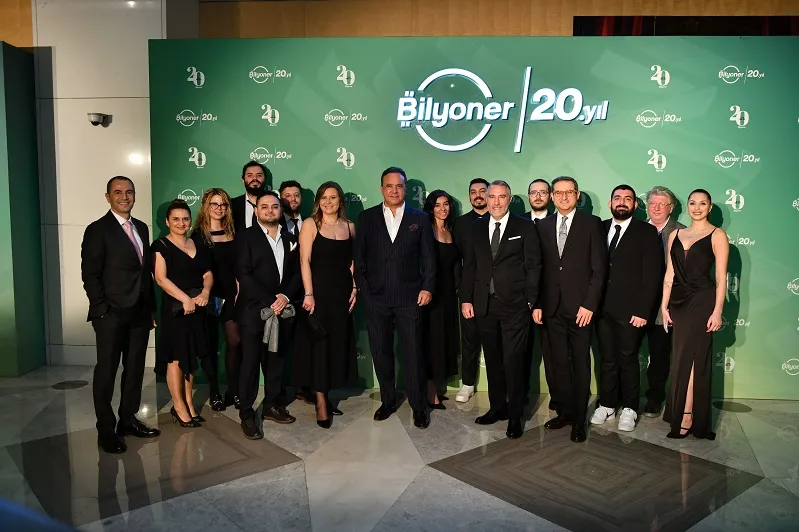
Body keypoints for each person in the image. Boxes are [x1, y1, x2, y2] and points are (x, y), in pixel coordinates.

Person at [81, 176, 160, 454]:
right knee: (107, 370)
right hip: (110, 314)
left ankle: (128, 420)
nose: (124, 197)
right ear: (108, 197)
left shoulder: (141, 228)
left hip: (139, 313)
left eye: (129, 192)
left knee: (135, 369)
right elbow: (90, 275)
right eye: (118, 192)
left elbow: (145, 274)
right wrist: (102, 310)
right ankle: (106, 429)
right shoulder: (97, 230)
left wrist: (151, 309)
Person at [354, 166, 436, 429]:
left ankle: (418, 406)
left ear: (405, 189)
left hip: (410, 297)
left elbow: (429, 259)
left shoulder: (419, 218)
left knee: (414, 353)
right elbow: (359, 259)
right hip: (376, 298)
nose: (394, 190)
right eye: (389, 186)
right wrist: (365, 292)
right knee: (381, 351)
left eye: (399, 186)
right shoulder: (366, 217)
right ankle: (388, 401)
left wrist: (427, 288)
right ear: (382, 189)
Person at [461, 180, 541, 439]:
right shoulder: (476, 227)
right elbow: (470, 266)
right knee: (493, 360)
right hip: (484, 304)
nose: (496, 202)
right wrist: (466, 299)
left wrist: (531, 300)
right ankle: (497, 408)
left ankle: (515, 415)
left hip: (516, 305)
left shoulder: (525, 226)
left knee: (514, 362)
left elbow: (533, 266)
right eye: (491, 196)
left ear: (509, 199)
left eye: (501, 197)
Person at [534, 176, 606, 443]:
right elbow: (538, 269)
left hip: (581, 309)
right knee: (559, 364)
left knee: (580, 363)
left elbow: (599, 270)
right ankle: (564, 412)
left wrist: (589, 304)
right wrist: (537, 303)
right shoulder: (543, 226)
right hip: (552, 308)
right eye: (559, 193)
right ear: (552, 196)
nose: (564, 197)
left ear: (577, 195)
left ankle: (579, 420)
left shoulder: (592, 224)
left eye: (569, 192)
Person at [591, 185, 661, 432]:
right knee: (607, 359)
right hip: (601, 309)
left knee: (628, 358)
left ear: (635, 204)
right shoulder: (599, 228)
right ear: (610, 203)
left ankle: (630, 407)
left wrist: (643, 310)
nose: (622, 202)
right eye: (617, 198)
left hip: (632, 311)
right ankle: (608, 403)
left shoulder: (647, 232)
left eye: (627, 199)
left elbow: (652, 275)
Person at [661, 189, 728, 440]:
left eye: (702, 203)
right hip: (678, 303)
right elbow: (670, 274)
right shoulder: (675, 234)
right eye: (692, 203)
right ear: (687, 206)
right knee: (681, 359)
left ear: (709, 207)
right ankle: (680, 412)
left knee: (693, 360)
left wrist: (717, 311)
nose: (697, 208)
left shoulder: (717, 235)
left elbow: (721, 278)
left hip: (702, 301)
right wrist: (664, 306)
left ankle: (688, 416)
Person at [235, 191, 302, 440]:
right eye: (264, 206)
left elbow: (297, 273)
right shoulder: (245, 237)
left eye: (274, 206)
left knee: (276, 361)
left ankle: (272, 404)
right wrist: (271, 300)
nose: (270, 210)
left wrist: (284, 296)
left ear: (280, 210)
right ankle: (246, 413)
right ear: (256, 210)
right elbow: (244, 273)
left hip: (282, 310)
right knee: (250, 363)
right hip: (254, 311)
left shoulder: (291, 238)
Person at [294, 181, 358, 429]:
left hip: (342, 294)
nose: (328, 202)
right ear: (318, 201)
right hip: (318, 293)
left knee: (335, 346)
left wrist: (355, 288)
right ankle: (320, 401)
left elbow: (352, 262)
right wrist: (309, 294)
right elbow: (304, 260)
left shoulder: (350, 227)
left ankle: (327, 393)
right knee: (319, 346)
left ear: (340, 200)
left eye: (333, 197)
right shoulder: (311, 224)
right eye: (324, 198)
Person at [153, 199, 214, 427]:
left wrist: (206, 292)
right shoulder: (160, 246)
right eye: (176, 219)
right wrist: (185, 299)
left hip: (197, 308)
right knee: (176, 358)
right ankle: (178, 406)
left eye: (185, 219)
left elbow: (207, 273)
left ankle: (189, 402)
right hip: (175, 310)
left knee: (191, 356)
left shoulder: (198, 244)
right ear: (167, 221)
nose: (181, 223)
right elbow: (161, 279)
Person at [190, 188, 241, 411]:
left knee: (235, 342)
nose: (219, 208)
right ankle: (214, 391)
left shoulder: (235, 233)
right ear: (206, 207)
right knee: (209, 346)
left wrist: (238, 292)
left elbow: (240, 267)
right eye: (214, 204)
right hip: (207, 298)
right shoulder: (197, 236)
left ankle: (234, 390)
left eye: (223, 204)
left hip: (232, 296)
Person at [642, 186, 685, 417]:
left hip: (665, 308)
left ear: (671, 207)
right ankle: (620, 397)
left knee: (659, 356)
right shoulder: (636, 229)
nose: (657, 208)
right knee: (625, 354)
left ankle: (655, 398)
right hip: (636, 306)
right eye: (652, 203)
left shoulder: (682, 232)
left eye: (662, 204)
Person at [422, 190, 461, 409]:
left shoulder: (451, 230)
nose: (442, 208)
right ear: (431, 208)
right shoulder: (426, 230)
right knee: (431, 343)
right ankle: (430, 392)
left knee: (444, 341)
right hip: (431, 295)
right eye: (437, 205)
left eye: (446, 204)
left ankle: (436, 388)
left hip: (448, 296)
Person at [451, 178, 489, 403]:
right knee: (469, 340)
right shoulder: (460, 223)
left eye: (482, 191)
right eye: (473, 192)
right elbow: (456, 260)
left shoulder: (500, 219)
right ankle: (467, 384)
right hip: (469, 292)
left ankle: (500, 384)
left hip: (496, 292)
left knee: (497, 342)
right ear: (469, 197)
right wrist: (462, 291)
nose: (478, 195)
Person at [524, 178, 554, 410]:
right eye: (534, 192)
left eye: (543, 192)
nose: (538, 196)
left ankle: (557, 395)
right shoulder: (518, 222)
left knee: (553, 353)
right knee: (520, 352)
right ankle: (520, 393)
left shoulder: (558, 223)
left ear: (550, 196)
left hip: (551, 299)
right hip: (520, 299)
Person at [231, 161, 271, 235]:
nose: (255, 178)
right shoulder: (231, 205)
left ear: (265, 179)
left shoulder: (275, 205)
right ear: (243, 180)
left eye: (259, 175)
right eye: (250, 175)